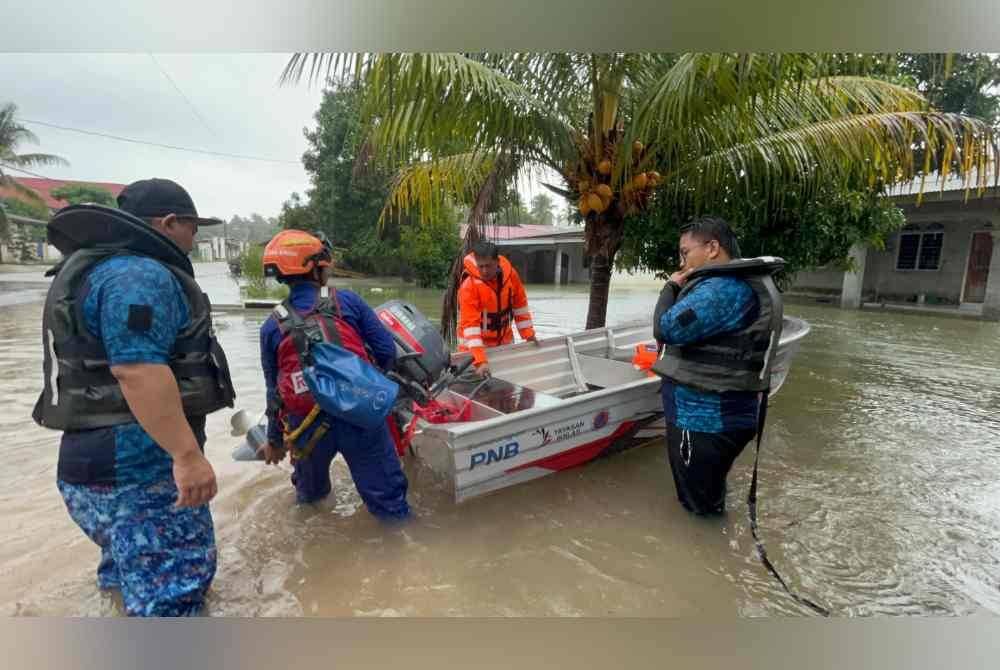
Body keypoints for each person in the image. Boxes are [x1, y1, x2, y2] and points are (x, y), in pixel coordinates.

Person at [34, 178, 236, 616]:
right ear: (168, 223)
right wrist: (186, 456)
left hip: (93, 466)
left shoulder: (99, 270)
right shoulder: (139, 274)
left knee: (127, 581)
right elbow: (137, 369)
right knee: (173, 599)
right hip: (138, 470)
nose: (194, 237)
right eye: (191, 226)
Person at [258, 229, 410, 520]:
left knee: (310, 502)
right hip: (361, 415)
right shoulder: (348, 302)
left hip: (307, 428)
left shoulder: (271, 326)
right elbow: (385, 350)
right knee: (391, 506)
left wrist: (275, 441)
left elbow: (274, 392)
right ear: (315, 268)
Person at [651, 216, 784, 515]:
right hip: (719, 415)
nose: (682, 261)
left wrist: (670, 286)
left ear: (712, 248)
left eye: (685, 252)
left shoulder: (721, 291)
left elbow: (665, 327)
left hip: (703, 420)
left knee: (699, 510)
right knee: (708, 495)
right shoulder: (733, 285)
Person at [456, 241, 538, 377]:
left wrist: (529, 334)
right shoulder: (469, 286)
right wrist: (480, 361)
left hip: (504, 345)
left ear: (497, 261)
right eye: (480, 266)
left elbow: (520, 306)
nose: (484, 271)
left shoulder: (511, 276)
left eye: (488, 266)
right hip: (472, 351)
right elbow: (471, 327)